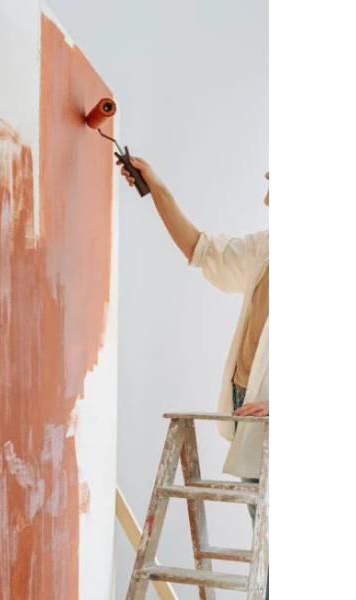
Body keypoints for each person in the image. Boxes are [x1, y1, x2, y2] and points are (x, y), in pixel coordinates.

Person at [118, 156, 269, 598]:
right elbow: (200, 249)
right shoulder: (269, 249)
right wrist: (155, 187)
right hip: (251, 412)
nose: (268, 174)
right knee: (266, 547)